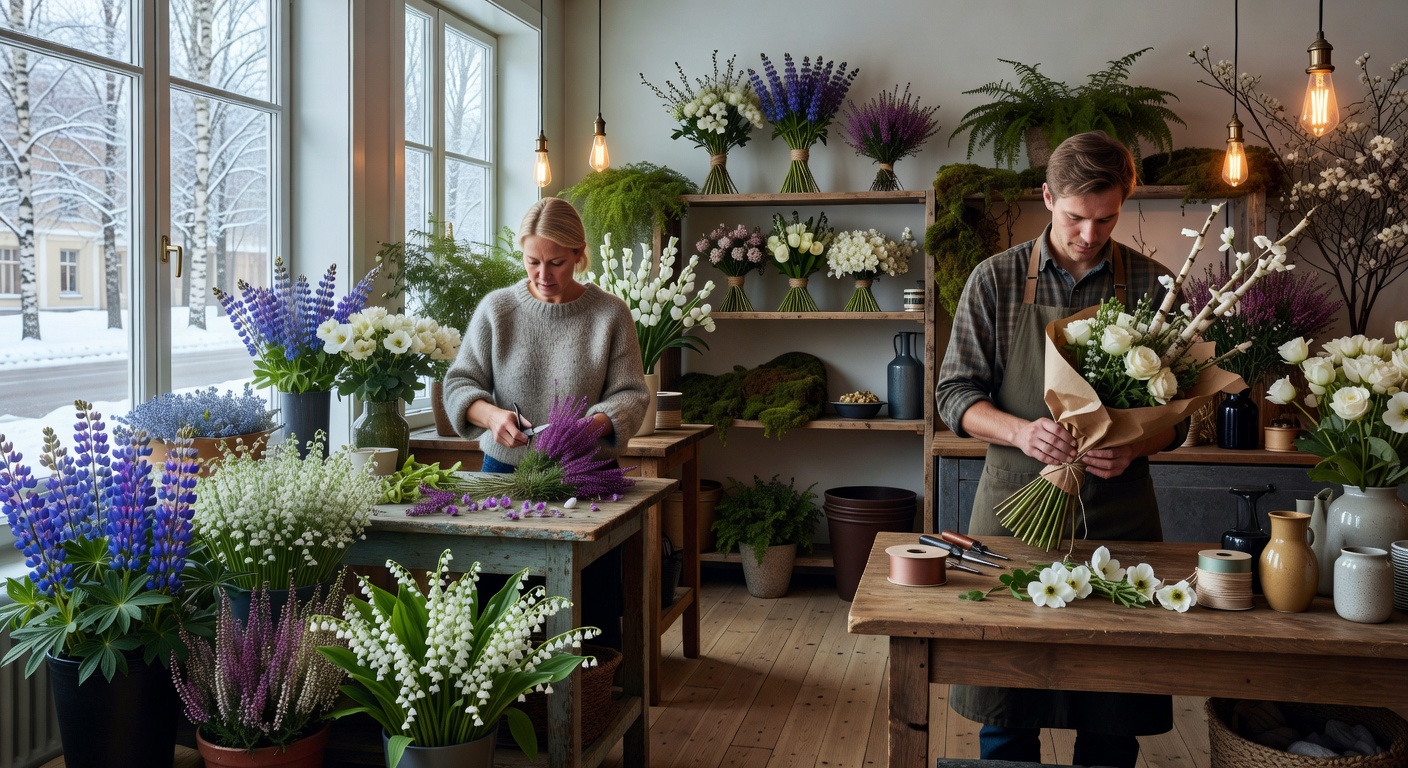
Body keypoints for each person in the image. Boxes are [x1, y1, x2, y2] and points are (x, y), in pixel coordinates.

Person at [933, 131, 1185, 768]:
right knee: (1007, 705)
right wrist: (1020, 431)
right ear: (1047, 198)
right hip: (1016, 510)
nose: (1090, 234)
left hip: (1119, 514)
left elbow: (1177, 418)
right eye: (1075, 217)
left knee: (1111, 707)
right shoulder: (993, 281)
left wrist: (1134, 447)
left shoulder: (1153, 285)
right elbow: (955, 395)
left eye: (1106, 219)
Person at [442, 196, 649, 648]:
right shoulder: (497, 310)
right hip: (505, 480)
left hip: (586, 482)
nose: (543, 275)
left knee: (587, 614)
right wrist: (492, 416)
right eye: (532, 261)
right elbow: (459, 384)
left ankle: (589, 703)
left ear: (579, 254)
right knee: (501, 609)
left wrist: (591, 426)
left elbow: (632, 394)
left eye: (556, 262)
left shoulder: (610, 314)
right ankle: (511, 706)